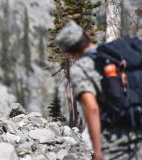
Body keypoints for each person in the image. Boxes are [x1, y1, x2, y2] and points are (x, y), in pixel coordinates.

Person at [55, 21, 142, 160]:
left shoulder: (80, 69)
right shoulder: (117, 53)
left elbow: (92, 108)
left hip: (116, 140)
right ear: (87, 36)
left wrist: (97, 151)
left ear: (70, 53)